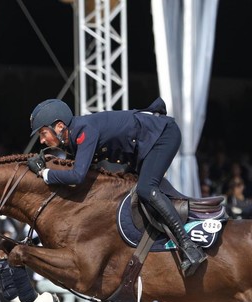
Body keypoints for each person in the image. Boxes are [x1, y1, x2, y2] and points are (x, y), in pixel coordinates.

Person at [26, 98, 206, 276]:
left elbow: (77, 176)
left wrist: (45, 174)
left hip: (163, 135)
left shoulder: (84, 131)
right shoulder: (72, 138)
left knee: (145, 189)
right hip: (143, 147)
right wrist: (46, 164)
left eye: (43, 133)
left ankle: (189, 246)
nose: (41, 140)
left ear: (59, 127)